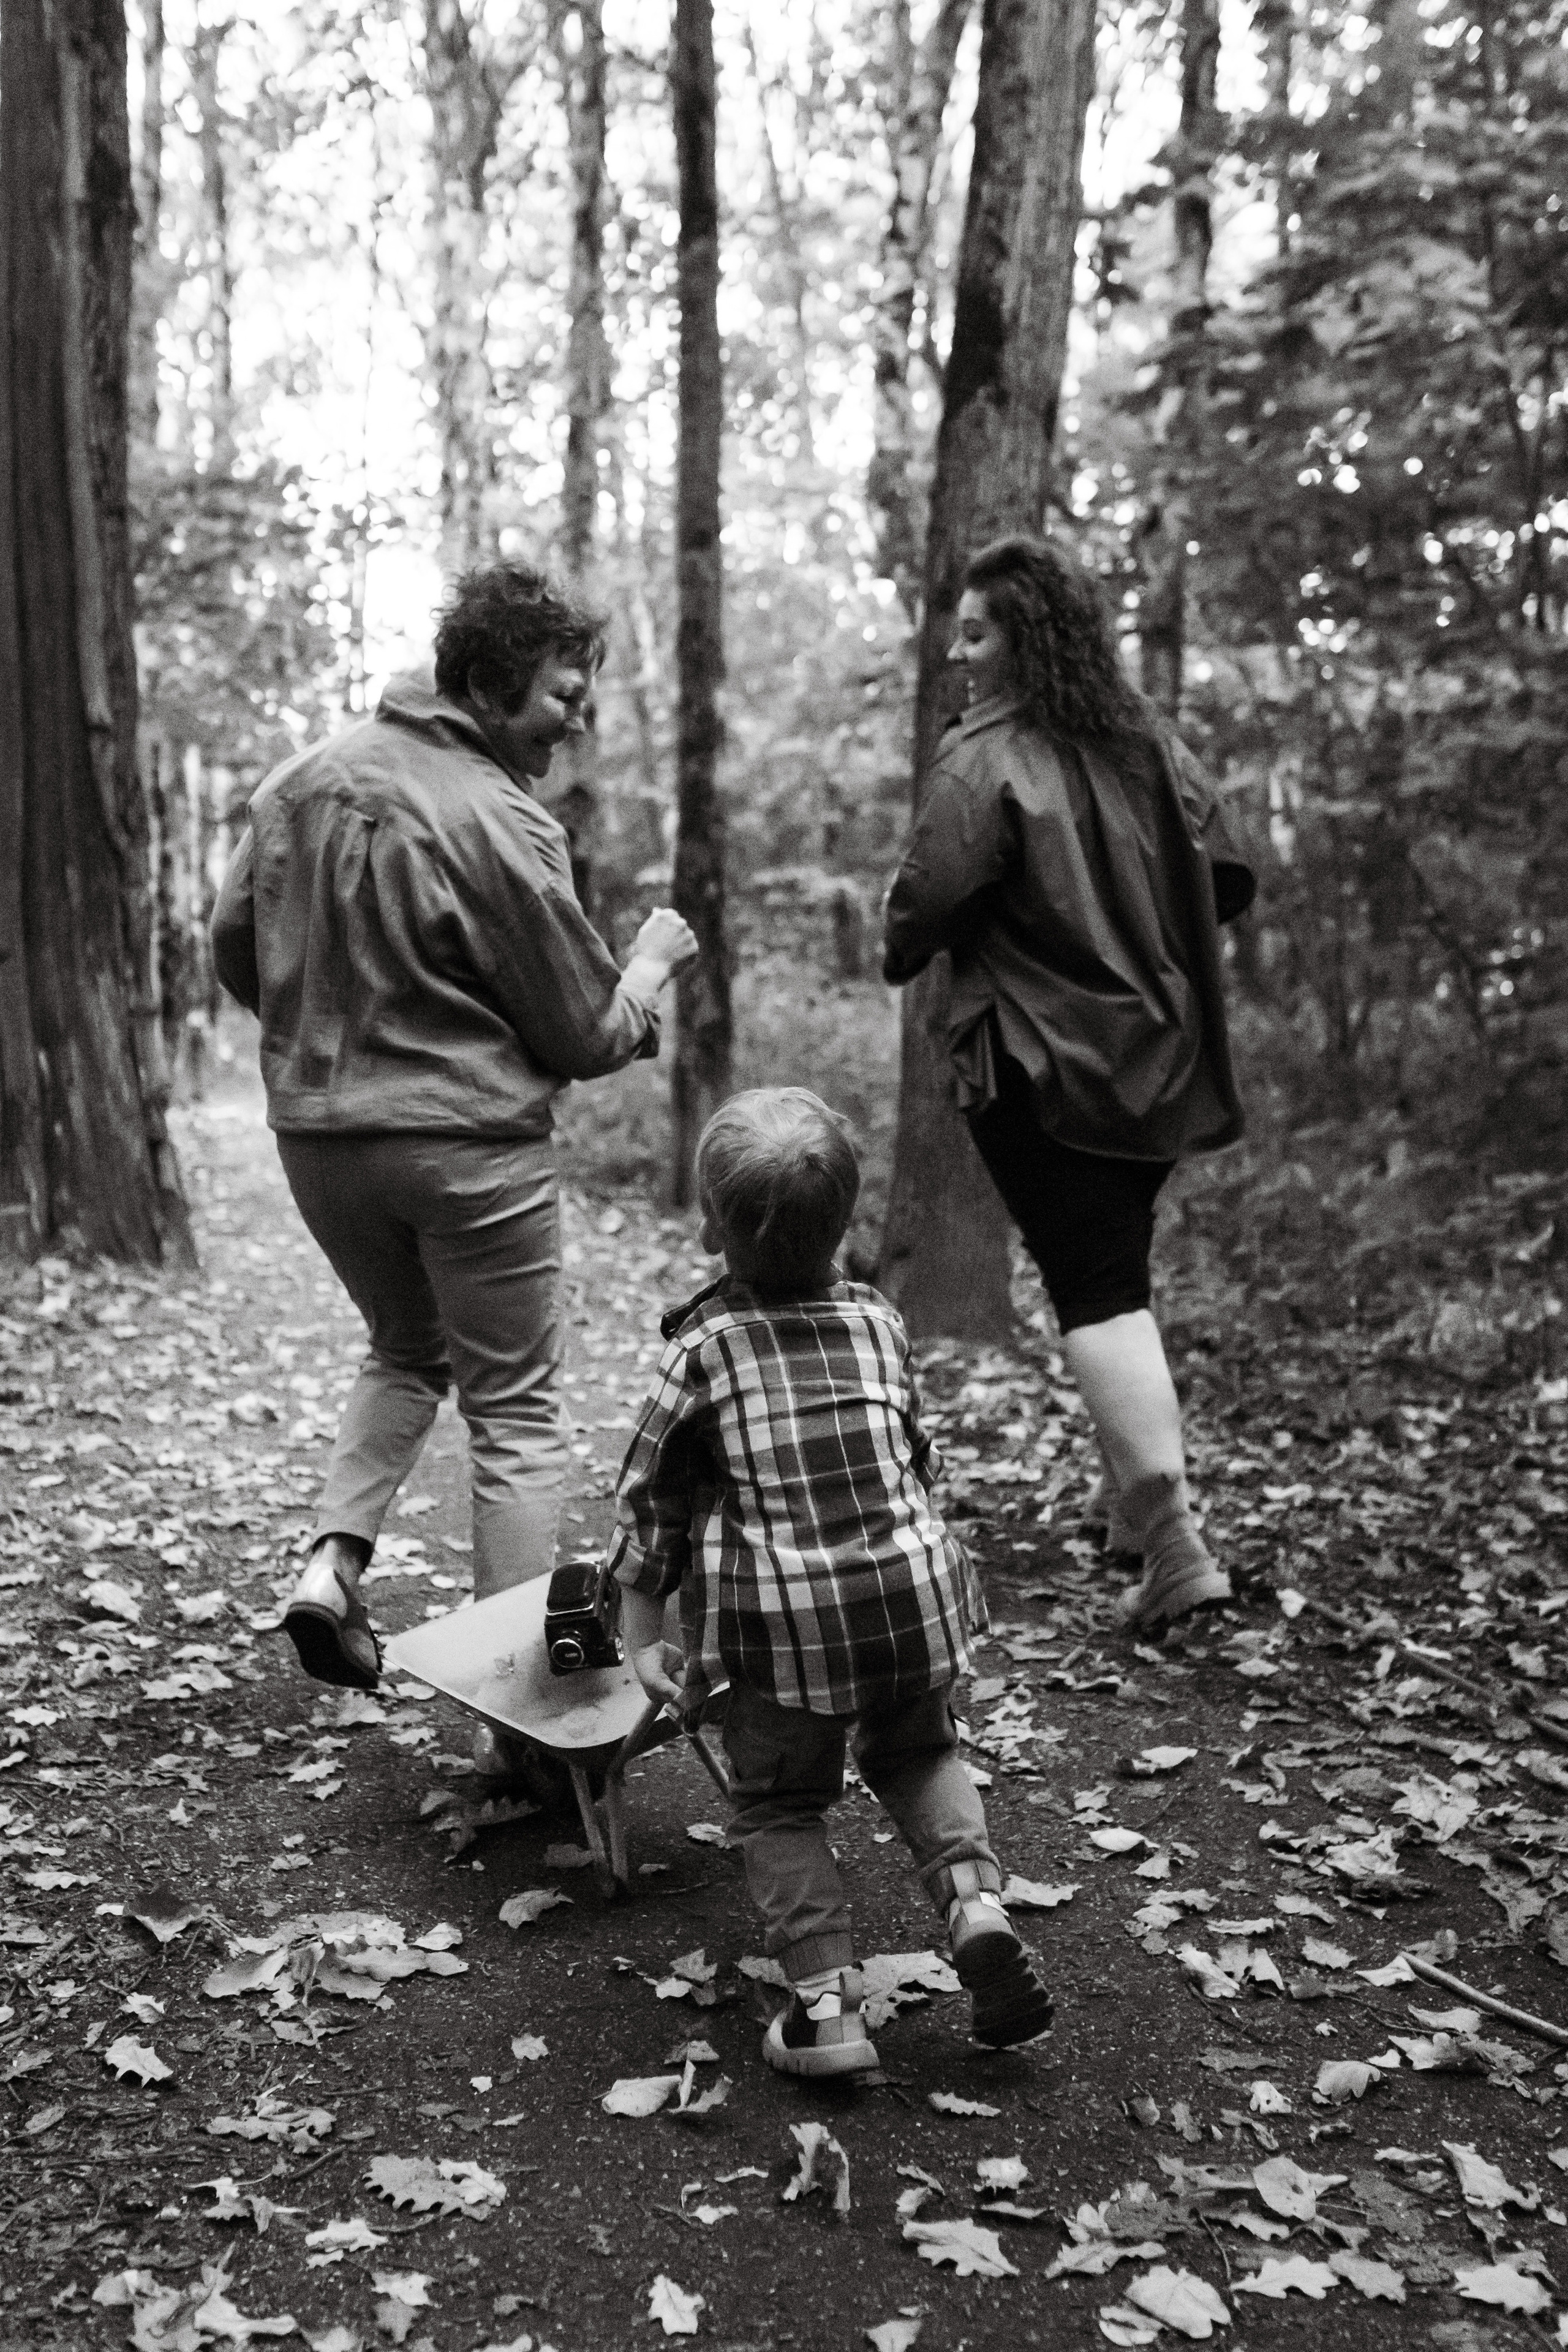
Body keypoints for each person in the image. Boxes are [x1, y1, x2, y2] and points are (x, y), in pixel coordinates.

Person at [211, 561, 697, 1727]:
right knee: (517, 1413)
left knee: (403, 1346)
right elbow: (583, 1032)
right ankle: (528, 1721)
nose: (577, 718)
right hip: (468, 1148)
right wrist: (648, 972)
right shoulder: (503, 819)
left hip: (321, 1145)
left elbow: (237, 945)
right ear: (483, 684)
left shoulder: (299, 783)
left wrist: (330, 1025)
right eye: (560, 694)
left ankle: (332, 1567)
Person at [608, 1088, 1054, 2079]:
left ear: (710, 1228)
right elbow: (914, 1457)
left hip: (786, 1633)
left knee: (779, 1806)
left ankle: (826, 2010)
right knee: (917, 1748)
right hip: (913, 1599)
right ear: (848, 1223)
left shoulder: (703, 1353)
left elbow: (651, 1504)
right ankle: (975, 1903)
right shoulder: (879, 1322)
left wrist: (644, 1636)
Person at [882, 534, 1254, 1637]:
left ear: (1027, 638)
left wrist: (945, 940)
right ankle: (1134, 1517)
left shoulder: (985, 756)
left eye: (978, 631)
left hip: (1043, 1062)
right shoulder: (1152, 742)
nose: (960, 651)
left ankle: (1174, 1538)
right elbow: (1228, 875)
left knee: (1097, 1290)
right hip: (1162, 1060)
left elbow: (924, 904)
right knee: (1111, 1269)